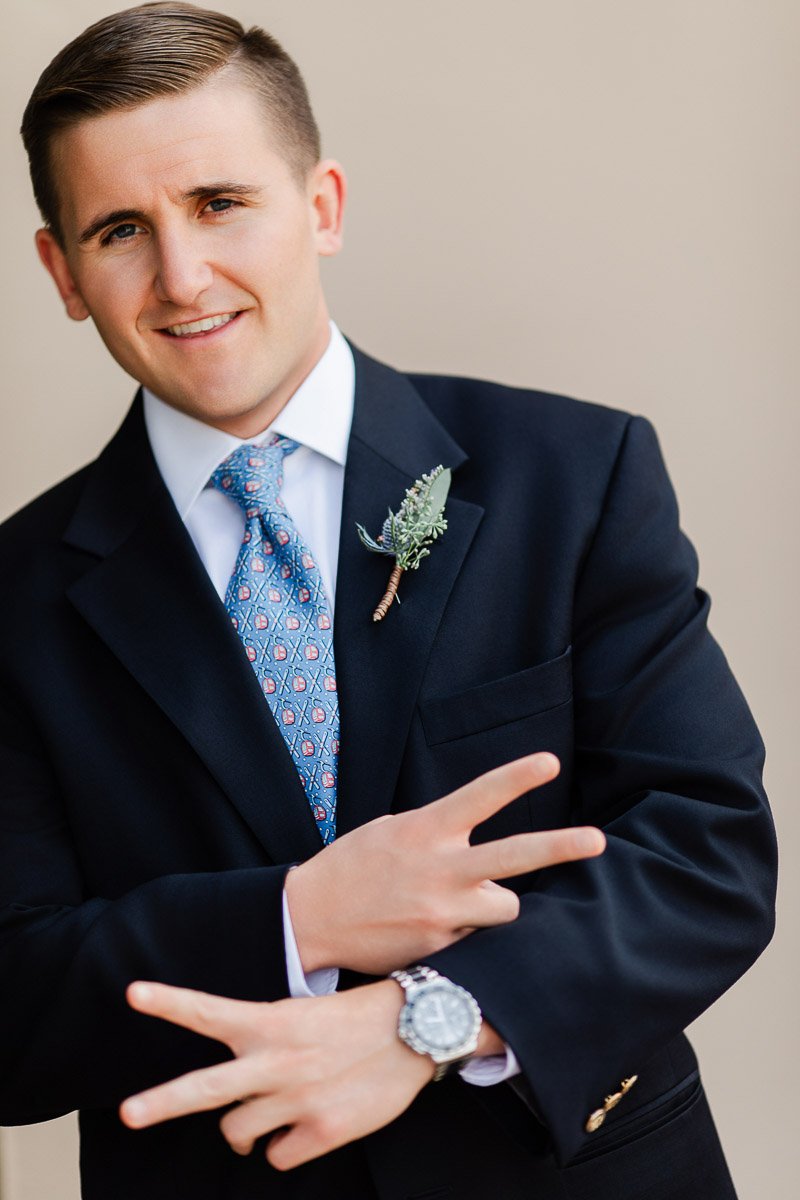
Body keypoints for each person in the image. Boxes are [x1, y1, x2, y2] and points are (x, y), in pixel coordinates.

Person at [0, 3, 777, 1198]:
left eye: (219, 203)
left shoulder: (574, 477)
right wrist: (295, 919)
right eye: (119, 230)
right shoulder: (15, 597)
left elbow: (702, 856)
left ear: (321, 207)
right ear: (63, 272)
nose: (182, 276)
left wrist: (426, 1019)